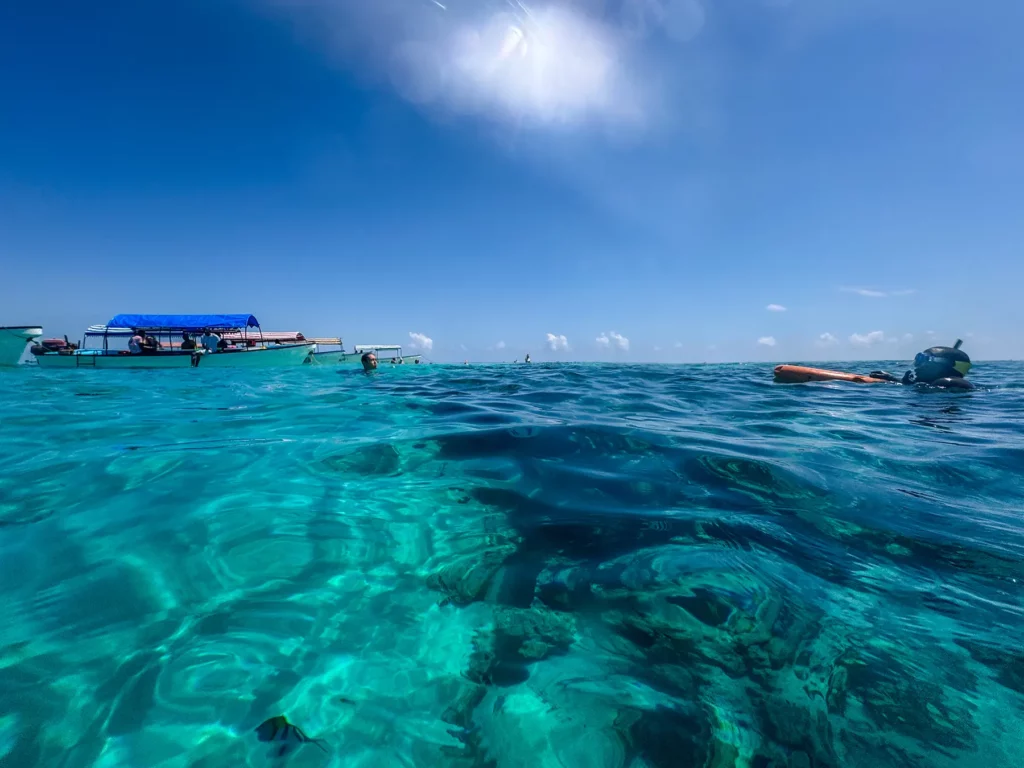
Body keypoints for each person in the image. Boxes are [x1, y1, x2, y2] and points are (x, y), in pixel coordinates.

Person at [870, 340, 974, 390]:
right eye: (918, 359)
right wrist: (893, 379)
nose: (918, 365)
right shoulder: (941, 382)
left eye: (924, 359)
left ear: (946, 365)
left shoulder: (949, 382)